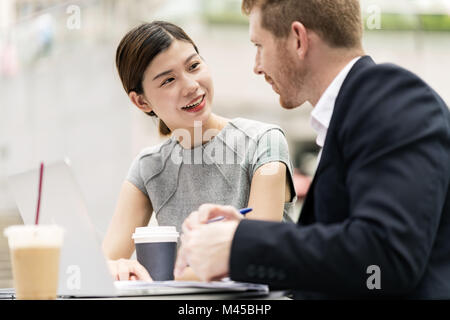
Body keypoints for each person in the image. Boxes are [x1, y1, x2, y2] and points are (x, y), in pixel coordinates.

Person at [175, 0, 450, 299]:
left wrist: (242, 245)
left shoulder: (392, 97)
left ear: (298, 39)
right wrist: (243, 237)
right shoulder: (353, 112)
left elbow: (383, 258)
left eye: (259, 46)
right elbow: (339, 259)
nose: (256, 66)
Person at [102, 21, 297, 281]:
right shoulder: (148, 167)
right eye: (169, 80)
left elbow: (254, 256)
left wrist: (158, 281)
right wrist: (114, 269)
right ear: (141, 101)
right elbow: (106, 262)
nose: (191, 85)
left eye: (194, 66)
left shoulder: (264, 142)